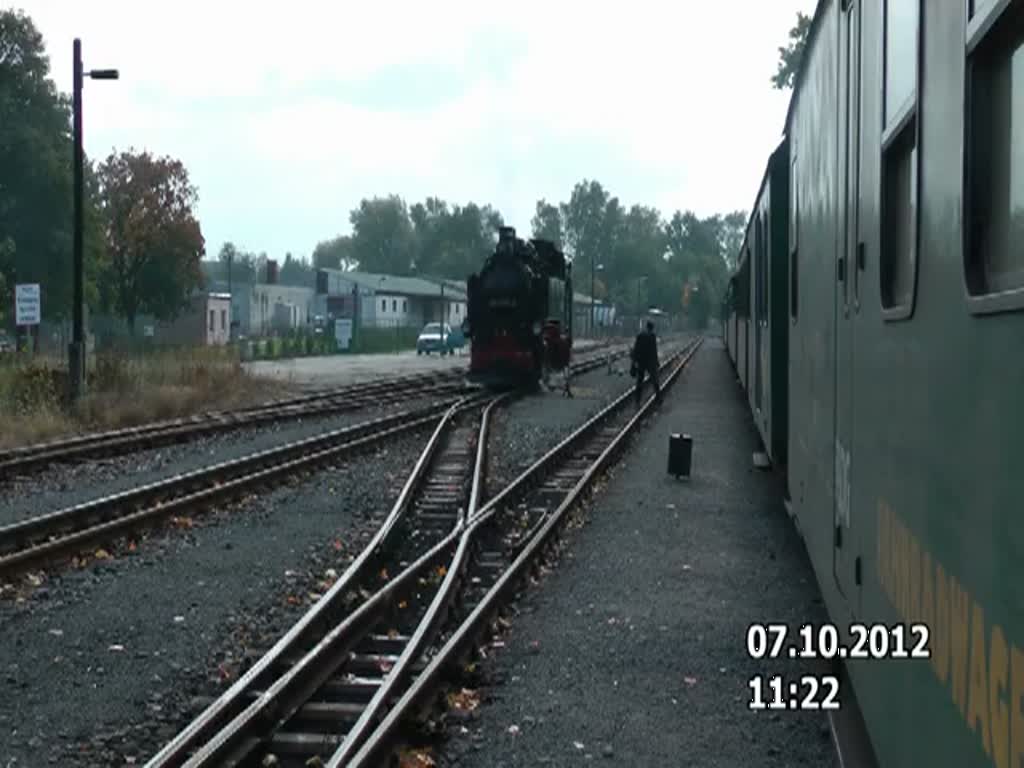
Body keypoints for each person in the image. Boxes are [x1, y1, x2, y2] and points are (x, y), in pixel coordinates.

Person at [631, 320, 660, 405]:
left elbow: (635, 350)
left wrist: (633, 362)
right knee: (654, 380)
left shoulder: (640, 335)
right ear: (652, 328)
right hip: (650, 361)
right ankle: (658, 398)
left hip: (641, 361)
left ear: (646, 326)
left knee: (639, 381)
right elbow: (654, 350)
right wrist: (656, 361)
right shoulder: (652, 336)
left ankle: (637, 400)